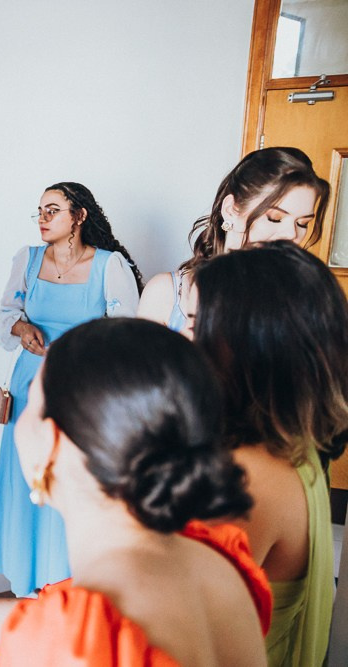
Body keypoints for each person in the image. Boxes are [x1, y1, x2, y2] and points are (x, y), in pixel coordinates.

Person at [0, 318, 271, 665]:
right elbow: (47, 622)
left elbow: (64, 634)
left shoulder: (79, 642)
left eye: (32, 400)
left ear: (50, 442)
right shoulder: (212, 555)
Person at [193, 241, 348, 666]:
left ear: (249, 346)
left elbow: (175, 630)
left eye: (199, 324)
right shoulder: (298, 446)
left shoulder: (247, 477)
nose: (190, 341)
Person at [0, 182, 142, 595]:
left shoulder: (109, 266)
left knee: (68, 481)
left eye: (52, 210)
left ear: (79, 216)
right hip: (27, 388)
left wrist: (81, 352)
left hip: (79, 391)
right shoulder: (27, 259)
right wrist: (22, 329)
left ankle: (63, 580)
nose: (42, 218)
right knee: (26, 479)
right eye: (39, 210)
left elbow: (126, 335)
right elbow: (5, 315)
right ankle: (25, 581)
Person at [138, 147, 330, 336]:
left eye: (303, 223)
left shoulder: (303, 300)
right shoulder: (166, 293)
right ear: (231, 210)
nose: (292, 234)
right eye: (275, 218)